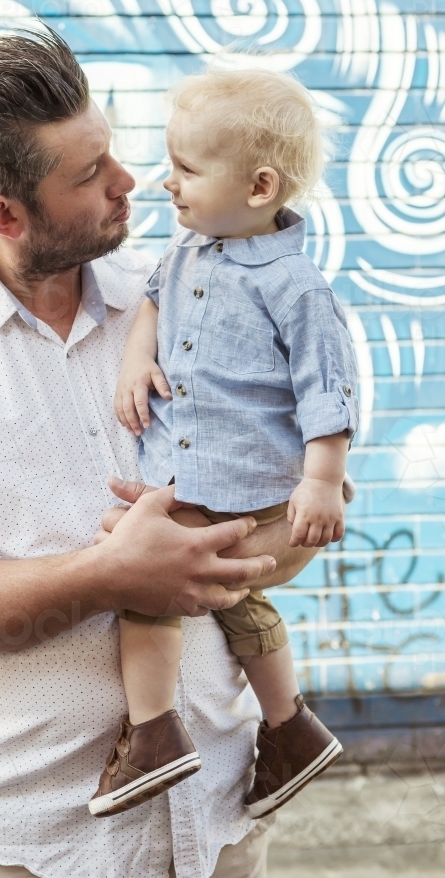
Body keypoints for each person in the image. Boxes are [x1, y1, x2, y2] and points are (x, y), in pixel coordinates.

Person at [0, 29, 321, 878]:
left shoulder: (191, 299)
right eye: (89, 174)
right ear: (5, 215)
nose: (130, 182)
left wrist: (225, 552)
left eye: (113, 154)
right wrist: (106, 576)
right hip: (22, 844)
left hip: (219, 830)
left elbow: (303, 510)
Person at [90, 68, 358, 822]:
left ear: (259, 185)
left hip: (249, 490)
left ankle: (153, 737)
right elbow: (151, 302)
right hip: (193, 478)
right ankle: (291, 728)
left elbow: (328, 388)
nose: (166, 184)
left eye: (187, 169)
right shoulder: (186, 253)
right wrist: (138, 355)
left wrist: (321, 479)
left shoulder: (296, 286)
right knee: (238, 603)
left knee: (148, 594)